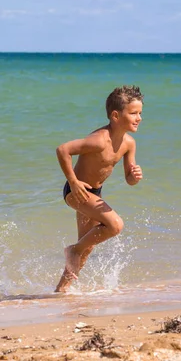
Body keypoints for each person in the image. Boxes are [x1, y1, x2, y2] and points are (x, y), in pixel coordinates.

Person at [55, 85, 144, 292]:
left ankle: (60, 292)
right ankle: (72, 250)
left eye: (140, 113)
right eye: (133, 113)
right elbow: (63, 150)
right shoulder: (99, 141)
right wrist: (74, 182)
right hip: (77, 192)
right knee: (115, 225)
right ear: (115, 115)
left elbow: (129, 180)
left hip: (94, 194)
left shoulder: (129, 143)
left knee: (87, 248)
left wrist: (134, 177)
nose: (139, 117)